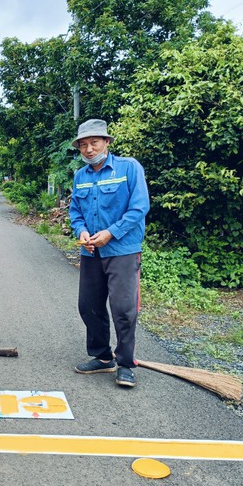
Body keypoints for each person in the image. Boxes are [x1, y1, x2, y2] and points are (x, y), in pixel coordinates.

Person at [69, 119, 150, 388]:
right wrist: (81, 231)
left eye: (94, 143)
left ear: (107, 142)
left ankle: (126, 364)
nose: (89, 149)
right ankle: (103, 357)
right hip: (92, 253)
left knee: (123, 310)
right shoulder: (81, 176)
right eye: (83, 145)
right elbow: (75, 213)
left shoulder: (129, 168)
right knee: (89, 307)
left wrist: (110, 233)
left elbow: (139, 208)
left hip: (123, 251)